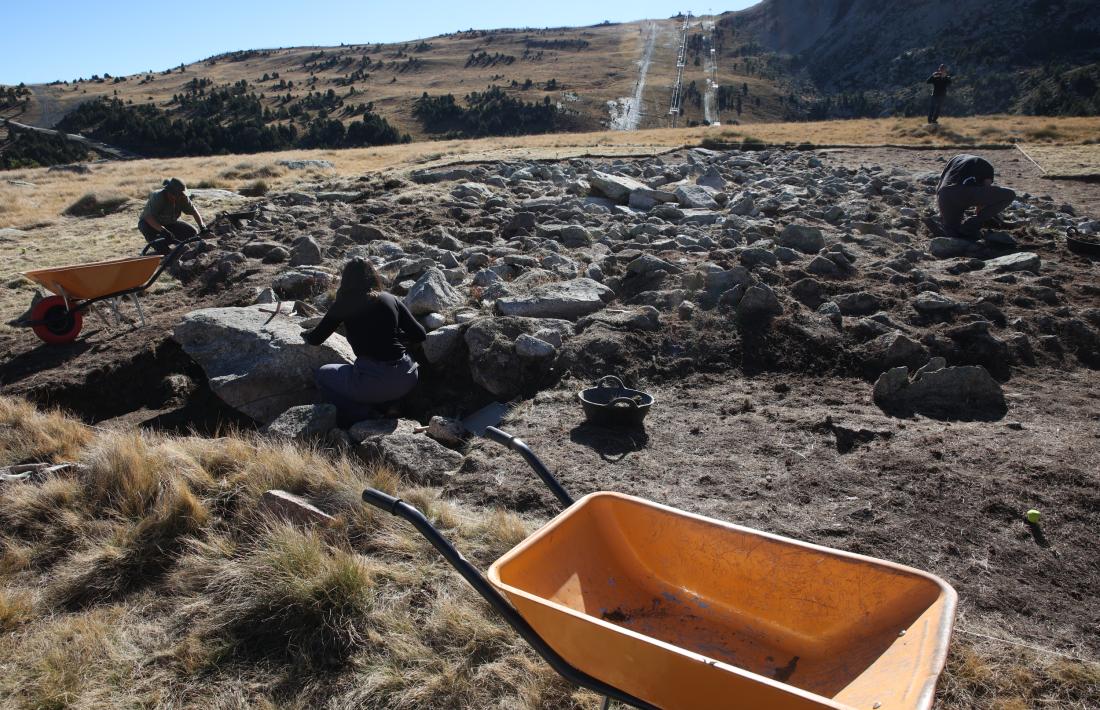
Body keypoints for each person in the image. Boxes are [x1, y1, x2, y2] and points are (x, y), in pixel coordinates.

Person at [302, 258, 426, 424]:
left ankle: (364, 414)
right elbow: (420, 334)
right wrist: (394, 335)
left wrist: (305, 334)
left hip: (373, 382)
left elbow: (316, 339)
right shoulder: (390, 298)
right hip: (408, 376)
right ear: (373, 277)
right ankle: (392, 405)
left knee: (322, 375)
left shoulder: (344, 304)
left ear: (346, 279)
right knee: (385, 383)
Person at [930, 154, 1017, 241]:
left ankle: (942, 229)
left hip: (944, 194)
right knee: (1010, 195)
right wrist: (980, 215)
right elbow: (986, 187)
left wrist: (942, 210)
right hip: (966, 192)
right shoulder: (986, 165)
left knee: (953, 231)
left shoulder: (954, 159)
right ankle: (971, 224)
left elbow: (941, 183)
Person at [138, 178, 205, 254]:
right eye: (179, 195)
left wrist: (202, 227)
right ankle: (164, 250)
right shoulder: (158, 197)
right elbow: (148, 218)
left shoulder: (183, 197)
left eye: (182, 194)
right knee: (145, 226)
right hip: (151, 225)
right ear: (170, 193)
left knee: (192, 233)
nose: (181, 197)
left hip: (169, 223)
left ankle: (175, 245)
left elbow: (194, 211)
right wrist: (163, 230)